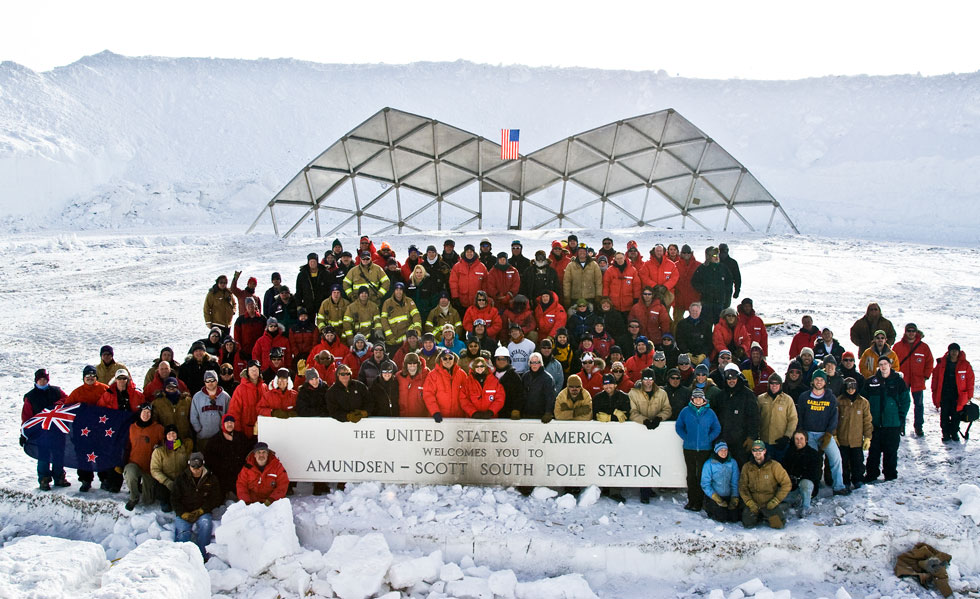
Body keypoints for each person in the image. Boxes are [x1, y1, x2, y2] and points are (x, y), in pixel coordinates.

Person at [796, 369, 848, 495]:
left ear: (825, 382)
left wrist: (829, 433)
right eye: (817, 379)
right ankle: (811, 486)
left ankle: (838, 486)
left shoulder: (830, 397)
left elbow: (834, 416)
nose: (819, 382)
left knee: (836, 459)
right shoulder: (804, 397)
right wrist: (802, 432)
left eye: (821, 380)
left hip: (824, 434)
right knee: (812, 461)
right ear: (812, 381)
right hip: (808, 434)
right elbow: (800, 416)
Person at [863, 356, 911, 482]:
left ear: (890, 365)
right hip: (875, 424)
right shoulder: (871, 382)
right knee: (873, 452)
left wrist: (900, 418)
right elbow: (863, 402)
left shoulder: (898, 382)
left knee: (891, 451)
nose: (883, 366)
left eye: (885, 364)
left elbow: (905, 401)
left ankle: (890, 474)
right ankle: (871, 474)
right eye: (881, 364)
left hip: (892, 424)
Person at [22, 369, 70, 490]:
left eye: (45, 379)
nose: (42, 382)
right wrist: (24, 433)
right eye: (40, 379)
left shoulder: (57, 391)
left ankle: (59, 477)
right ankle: (44, 479)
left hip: (58, 429)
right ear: (36, 380)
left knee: (59, 453)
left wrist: (58, 403)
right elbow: (26, 416)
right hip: (41, 431)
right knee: (43, 455)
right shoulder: (30, 397)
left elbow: (68, 400)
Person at [674, 388, 721, 511]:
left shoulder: (710, 413)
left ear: (704, 399)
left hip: (705, 449)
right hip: (689, 448)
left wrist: (708, 439)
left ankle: (699, 502)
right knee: (691, 475)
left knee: (701, 475)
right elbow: (679, 426)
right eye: (696, 398)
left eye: (700, 398)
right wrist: (686, 437)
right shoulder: (685, 411)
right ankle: (691, 500)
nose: (698, 400)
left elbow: (717, 428)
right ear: (692, 399)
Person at [172, 452, 222, 558]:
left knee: (206, 524)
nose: (196, 470)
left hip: (202, 511)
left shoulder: (211, 478)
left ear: (202, 465)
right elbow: (174, 499)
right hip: (185, 511)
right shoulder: (181, 478)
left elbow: (216, 498)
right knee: (182, 530)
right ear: (189, 465)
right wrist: (182, 513)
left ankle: (202, 556)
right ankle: (181, 558)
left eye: (198, 466)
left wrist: (202, 510)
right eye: (193, 467)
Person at [894, 323, 935, 437]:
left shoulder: (924, 347)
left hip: (918, 380)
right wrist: (895, 376)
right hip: (903, 380)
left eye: (913, 331)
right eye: (909, 331)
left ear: (916, 332)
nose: (911, 333)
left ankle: (918, 427)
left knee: (919, 404)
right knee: (902, 403)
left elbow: (929, 362)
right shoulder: (898, 346)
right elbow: (892, 361)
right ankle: (901, 425)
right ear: (905, 332)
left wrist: (926, 376)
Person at [739, 440, 791, 529]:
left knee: (778, 525)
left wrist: (776, 500)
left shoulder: (774, 466)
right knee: (748, 524)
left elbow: (786, 484)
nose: (758, 452)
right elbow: (742, 486)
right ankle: (760, 515)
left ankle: (776, 510)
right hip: (754, 503)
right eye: (755, 450)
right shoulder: (747, 467)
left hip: (769, 503)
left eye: (760, 449)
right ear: (752, 452)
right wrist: (749, 502)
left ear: (765, 451)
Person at [715, 365, 760, 466]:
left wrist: (752, 437)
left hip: (742, 443)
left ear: (738, 377)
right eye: (729, 378)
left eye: (734, 378)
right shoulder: (721, 396)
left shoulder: (748, 395)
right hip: (725, 442)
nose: (731, 381)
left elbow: (754, 418)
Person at [123, 403, 165, 510]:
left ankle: (144, 488)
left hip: (150, 468)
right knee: (130, 472)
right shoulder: (132, 428)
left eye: (148, 413)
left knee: (148, 501)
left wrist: (161, 447)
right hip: (134, 463)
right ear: (139, 413)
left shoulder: (158, 428)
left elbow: (167, 444)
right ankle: (134, 497)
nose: (146, 415)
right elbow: (126, 447)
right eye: (144, 412)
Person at [931, 343, 974, 442]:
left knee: (956, 415)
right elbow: (935, 379)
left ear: (959, 352)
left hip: (958, 395)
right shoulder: (941, 363)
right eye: (952, 350)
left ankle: (954, 433)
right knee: (944, 415)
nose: (954, 352)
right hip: (944, 394)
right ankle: (945, 433)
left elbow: (970, 381)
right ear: (949, 351)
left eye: (956, 350)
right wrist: (934, 392)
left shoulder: (965, 365)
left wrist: (969, 395)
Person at [837, 377, 872, 489]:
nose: (851, 390)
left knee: (857, 462)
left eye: (853, 387)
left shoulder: (863, 402)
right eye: (848, 387)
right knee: (844, 462)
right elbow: (834, 419)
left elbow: (867, 421)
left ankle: (858, 479)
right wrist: (833, 434)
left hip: (856, 440)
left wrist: (867, 437)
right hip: (842, 439)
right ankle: (845, 481)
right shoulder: (839, 401)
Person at [150, 424, 193, 512]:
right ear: (165, 436)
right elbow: (154, 470)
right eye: (169, 434)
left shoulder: (183, 448)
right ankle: (165, 500)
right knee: (167, 508)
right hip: (164, 482)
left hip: (180, 481)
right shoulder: (159, 451)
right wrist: (167, 481)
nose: (172, 436)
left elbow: (189, 464)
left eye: (174, 433)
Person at [780, 431, 822, 518]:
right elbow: (784, 468)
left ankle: (805, 508)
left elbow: (815, 474)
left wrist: (799, 478)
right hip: (792, 486)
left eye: (801, 439)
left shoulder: (813, 454)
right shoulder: (790, 452)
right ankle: (793, 501)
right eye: (796, 439)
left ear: (806, 440)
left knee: (805, 483)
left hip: (807, 486)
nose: (799, 441)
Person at [756, 374, 797, 461]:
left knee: (781, 467)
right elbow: (756, 418)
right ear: (768, 384)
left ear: (780, 385)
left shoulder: (788, 400)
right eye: (772, 383)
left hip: (781, 441)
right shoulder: (761, 399)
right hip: (765, 441)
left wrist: (787, 436)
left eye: (777, 383)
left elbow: (793, 419)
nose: (774, 386)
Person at [190, 370, 231, 451]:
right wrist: (199, 429)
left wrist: (225, 430)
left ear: (217, 381)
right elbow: (193, 416)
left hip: (220, 437)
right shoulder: (197, 397)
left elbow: (229, 414)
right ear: (204, 382)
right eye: (207, 381)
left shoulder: (225, 396)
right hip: (203, 437)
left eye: (212, 380)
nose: (210, 383)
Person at [690, 247, 732, 325]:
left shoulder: (723, 268)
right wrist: (704, 290)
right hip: (707, 302)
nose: (717, 258)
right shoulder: (702, 268)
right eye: (714, 256)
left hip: (720, 302)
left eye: (717, 255)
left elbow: (729, 282)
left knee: (720, 326)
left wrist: (724, 292)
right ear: (709, 257)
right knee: (706, 325)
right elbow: (694, 282)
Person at [423, 349, 469, 421]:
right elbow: (428, 395)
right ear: (441, 360)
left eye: (450, 358)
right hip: (440, 417)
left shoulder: (462, 374)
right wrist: (435, 412)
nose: (448, 360)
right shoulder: (432, 375)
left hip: (458, 417)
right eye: (445, 358)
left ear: (454, 359)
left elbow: (467, 394)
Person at [701, 441, 740, 522]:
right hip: (714, 496)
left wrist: (734, 497)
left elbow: (735, 481)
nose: (723, 452)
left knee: (734, 518)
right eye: (721, 450)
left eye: (725, 450)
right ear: (716, 451)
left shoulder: (732, 462)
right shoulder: (709, 464)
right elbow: (705, 484)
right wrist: (715, 496)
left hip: (728, 496)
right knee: (721, 517)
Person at [228, 361, 266, 440]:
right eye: (252, 370)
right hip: (245, 431)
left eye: (256, 370)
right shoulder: (240, 389)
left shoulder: (264, 387)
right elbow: (234, 411)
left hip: (262, 429)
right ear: (247, 372)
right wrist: (238, 431)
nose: (254, 372)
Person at [151, 377, 194, 442]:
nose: (171, 389)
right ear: (164, 388)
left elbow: (193, 418)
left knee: (183, 451)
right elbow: (154, 421)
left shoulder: (187, 401)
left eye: (173, 387)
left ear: (177, 387)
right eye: (168, 387)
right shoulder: (157, 403)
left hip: (184, 437)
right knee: (171, 451)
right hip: (167, 438)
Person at [381, 282, 421, 347]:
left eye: (400, 290)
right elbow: (384, 320)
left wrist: (417, 329)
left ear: (403, 291)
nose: (398, 292)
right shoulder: (387, 303)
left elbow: (416, 315)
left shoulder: (409, 301)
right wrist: (389, 336)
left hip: (408, 336)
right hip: (394, 337)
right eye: (397, 290)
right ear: (394, 291)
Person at [450, 243, 489, 310]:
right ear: (464, 253)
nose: (469, 253)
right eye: (467, 252)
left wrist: (484, 297)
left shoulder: (481, 267)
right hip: (461, 301)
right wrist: (455, 297)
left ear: (474, 253)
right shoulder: (457, 266)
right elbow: (453, 282)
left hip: (477, 302)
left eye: (471, 252)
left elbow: (485, 282)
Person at [520, 352, 556, 421]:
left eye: (537, 362)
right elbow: (522, 395)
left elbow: (550, 397)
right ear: (529, 364)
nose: (534, 365)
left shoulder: (548, 378)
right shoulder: (525, 376)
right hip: (526, 414)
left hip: (541, 415)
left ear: (541, 363)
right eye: (532, 362)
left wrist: (548, 412)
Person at [671, 244, 701, 327]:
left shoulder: (698, 265)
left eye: (688, 253)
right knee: (677, 320)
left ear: (691, 253)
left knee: (696, 320)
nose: (686, 255)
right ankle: (677, 337)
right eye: (684, 253)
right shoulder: (675, 265)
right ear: (681, 253)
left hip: (694, 298)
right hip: (679, 298)